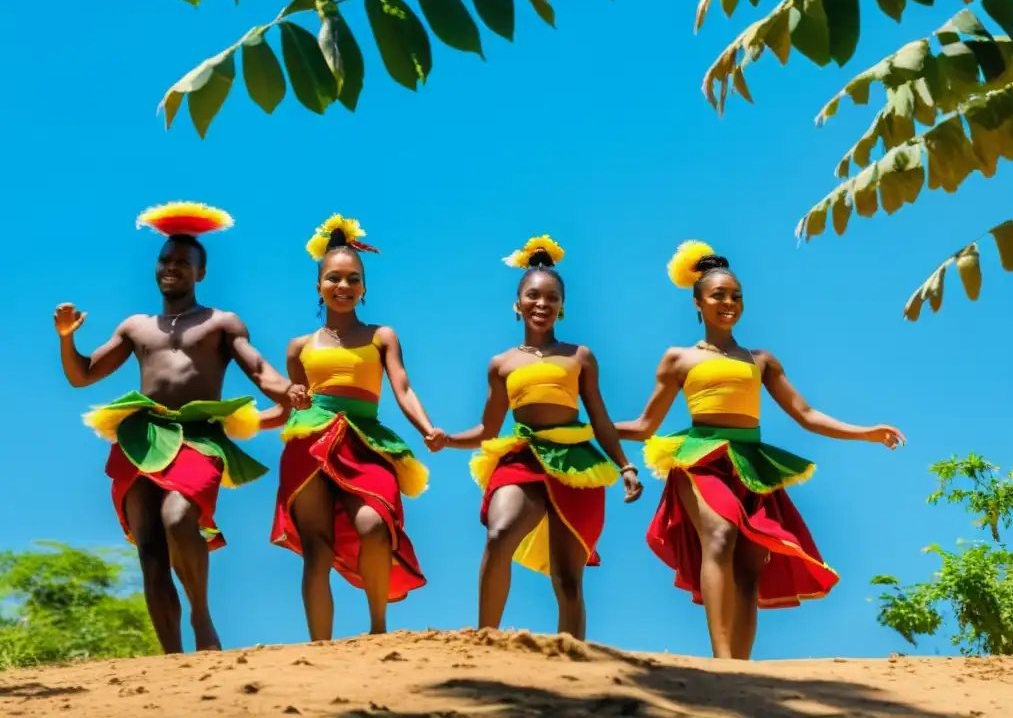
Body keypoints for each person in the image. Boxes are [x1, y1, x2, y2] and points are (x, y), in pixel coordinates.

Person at [615, 240, 906, 660]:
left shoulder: (761, 360)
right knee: (719, 537)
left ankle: (740, 669)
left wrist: (864, 432)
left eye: (735, 296)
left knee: (751, 567)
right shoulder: (678, 359)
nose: (728, 302)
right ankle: (720, 662)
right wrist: (590, 428)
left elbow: (805, 413)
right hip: (701, 459)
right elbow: (645, 426)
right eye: (718, 295)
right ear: (698, 303)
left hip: (752, 465)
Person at [58, 202, 305, 654]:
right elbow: (83, 374)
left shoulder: (221, 322)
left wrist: (286, 391)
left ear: (200, 273)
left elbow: (259, 369)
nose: (171, 268)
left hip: (198, 437)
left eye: (182, 263)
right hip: (141, 436)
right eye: (165, 261)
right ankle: (172, 657)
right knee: (150, 551)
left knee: (179, 518)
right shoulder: (136, 326)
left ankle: (201, 617)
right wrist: (66, 339)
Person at [440, 235, 644, 640]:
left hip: (576, 464)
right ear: (517, 305)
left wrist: (626, 465)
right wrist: (447, 439)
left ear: (562, 307)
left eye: (551, 298)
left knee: (569, 578)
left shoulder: (579, 356)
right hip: (523, 457)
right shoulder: (502, 364)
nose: (541, 304)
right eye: (533, 296)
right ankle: (486, 638)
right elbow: (487, 430)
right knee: (499, 535)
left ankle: (573, 659)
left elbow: (599, 418)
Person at [260, 214, 443, 641]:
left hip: (367, 441)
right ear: (318, 285)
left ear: (364, 287)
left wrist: (427, 429)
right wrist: (240, 421)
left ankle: (378, 630)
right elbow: (288, 408)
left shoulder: (382, 335)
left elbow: (403, 388)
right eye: (334, 278)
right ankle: (319, 647)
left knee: (375, 526)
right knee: (316, 550)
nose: (343, 286)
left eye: (353, 279)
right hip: (309, 445)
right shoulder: (299, 347)